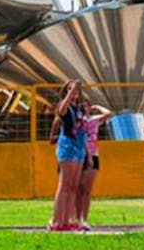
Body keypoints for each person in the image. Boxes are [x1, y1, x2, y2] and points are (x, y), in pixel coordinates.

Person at [49, 80, 86, 232]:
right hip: (67, 146)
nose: (75, 93)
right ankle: (58, 220)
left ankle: (69, 219)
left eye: (76, 91)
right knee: (64, 184)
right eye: (70, 90)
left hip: (78, 147)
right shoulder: (64, 106)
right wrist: (71, 91)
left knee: (73, 186)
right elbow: (62, 111)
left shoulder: (79, 109)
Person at [76, 100, 113, 230]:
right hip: (80, 155)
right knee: (78, 189)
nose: (84, 108)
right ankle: (76, 218)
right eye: (82, 106)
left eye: (86, 106)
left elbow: (108, 114)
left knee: (87, 190)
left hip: (93, 154)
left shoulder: (93, 120)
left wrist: (97, 106)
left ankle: (84, 219)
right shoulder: (78, 121)